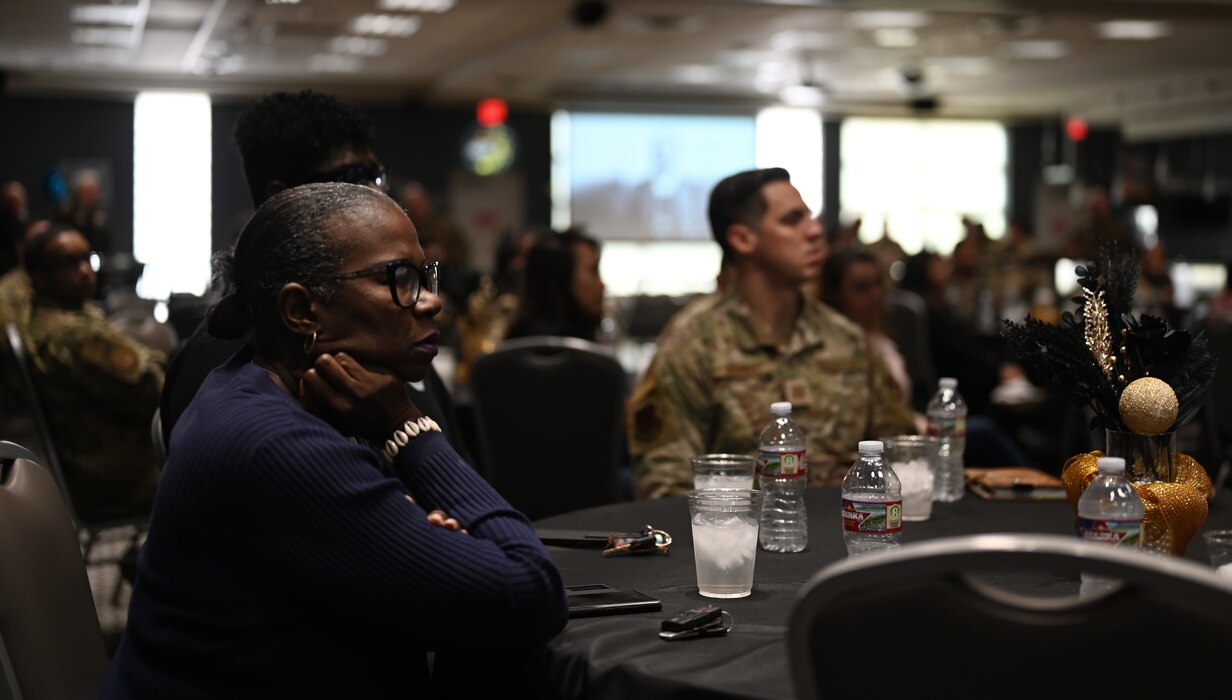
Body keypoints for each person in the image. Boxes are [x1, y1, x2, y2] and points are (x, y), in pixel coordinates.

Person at [102, 182, 568, 698]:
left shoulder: (249, 387)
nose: (432, 301)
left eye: (426, 275)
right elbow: (532, 593)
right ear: (302, 311)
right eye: (401, 278)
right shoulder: (278, 448)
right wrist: (407, 427)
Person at [159, 90, 473, 465]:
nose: (378, 193)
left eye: (377, 175)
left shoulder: (394, 334)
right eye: (354, 177)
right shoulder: (229, 363)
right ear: (281, 195)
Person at [627, 167, 916, 498]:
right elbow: (665, 484)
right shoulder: (694, 343)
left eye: (810, 216)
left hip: (854, 532)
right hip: (746, 539)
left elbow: (902, 456)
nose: (815, 231)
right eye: (793, 220)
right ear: (742, 239)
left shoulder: (846, 339)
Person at [23, 223, 163, 520]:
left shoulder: (44, 318)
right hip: (117, 470)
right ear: (39, 276)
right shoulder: (76, 333)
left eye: (88, 258)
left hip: (86, 463)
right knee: (219, 459)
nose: (86, 271)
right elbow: (153, 388)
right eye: (69, 263)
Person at [504, 227, 606, 342]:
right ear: (562, 278)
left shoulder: (512, 346)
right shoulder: (584, 353)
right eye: (593, 271)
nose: (602, 284)